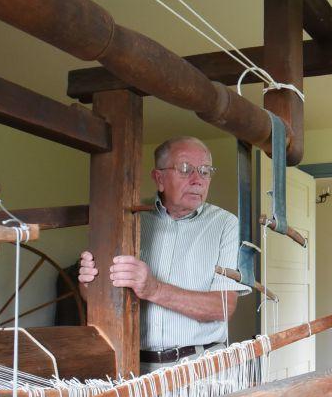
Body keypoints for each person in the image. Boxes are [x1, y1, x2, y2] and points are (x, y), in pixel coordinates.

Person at [78, 136, 248, 373]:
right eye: (186, 169)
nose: (198, 180)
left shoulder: (226, 224)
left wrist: (153, 289)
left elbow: (222, 308)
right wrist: (88, 283)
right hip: (133, 367)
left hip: (201, 370)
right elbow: (96, 296)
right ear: (159, 178)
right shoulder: (128, 218)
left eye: (205, 171)